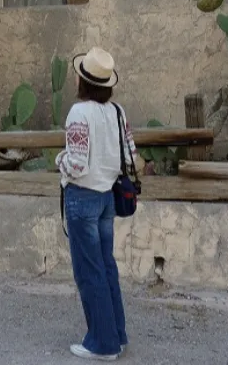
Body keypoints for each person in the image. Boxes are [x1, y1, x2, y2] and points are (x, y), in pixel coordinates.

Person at [56, 46, 135, 361]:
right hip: (106, 198)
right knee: (106, 267)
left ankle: (102, 344)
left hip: (83, 198)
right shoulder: (117, 112)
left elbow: (77, 165)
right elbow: (130, 154)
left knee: (89, 272)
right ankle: (117, 334)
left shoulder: (79, 113)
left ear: (83, 81)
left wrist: (60, 160)